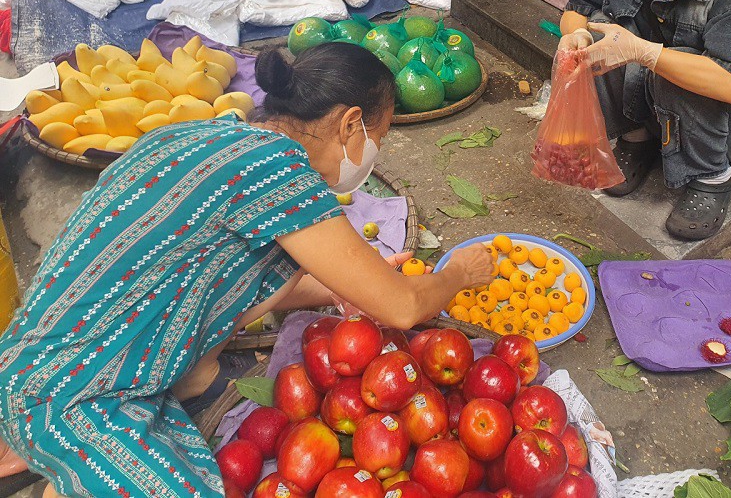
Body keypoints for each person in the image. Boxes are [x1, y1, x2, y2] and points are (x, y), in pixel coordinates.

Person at [0, 43, 495, 497]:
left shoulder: (210, 135)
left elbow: (227, 273)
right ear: (351, 124)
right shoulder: (282, 174)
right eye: (378, 137)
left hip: (40, 354)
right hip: (74, 390)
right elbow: (404, 307)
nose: (374, 151)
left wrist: (353, 284)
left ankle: (74, 455)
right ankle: (62, 452)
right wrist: (457, 274)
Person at [558, 0, 731, 240]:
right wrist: (577, 35)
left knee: (679, 69)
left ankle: (713, 175)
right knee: (599, 39)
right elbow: (578, 9)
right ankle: (637, 136)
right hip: (657, 102)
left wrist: (648, 54)